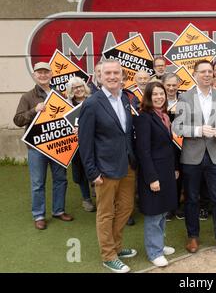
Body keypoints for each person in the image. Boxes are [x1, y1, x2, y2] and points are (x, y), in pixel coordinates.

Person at [78, 59, 138, 273]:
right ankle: (108, 255)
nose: (112, 76)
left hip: (127, 165)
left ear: (122, 76)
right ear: (99, 77)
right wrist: (92, 172)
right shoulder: (92, 103)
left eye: (116, 73)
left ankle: (116, 246)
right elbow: (84, 142)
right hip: (104, 169)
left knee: (126, 208)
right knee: (105, 213)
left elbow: (126, 133)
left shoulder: (124, 98)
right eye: (108, 73)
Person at [172, 59, 216, 261]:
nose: (207, 74)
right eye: (203, 71)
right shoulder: (185, 97)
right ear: (195, 74)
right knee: (191, 199)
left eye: (210, 71)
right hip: (192, 156)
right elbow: (177, 128)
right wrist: (198, 130)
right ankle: (193, 236)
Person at [13, 62, 74, 230]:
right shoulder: (27, 97)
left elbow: (67, 115)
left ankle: (58, 210)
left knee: (60, 179)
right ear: (34, 75)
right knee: (38, 182)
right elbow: (18, 120)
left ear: (51, 74)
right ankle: (39, 215)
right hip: (37, 147)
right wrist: (34, 110)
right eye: (39, 73)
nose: (43, 75)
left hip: (57, 144)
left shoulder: (59, 93)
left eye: (45, 72)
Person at [134, 82, 178, 267]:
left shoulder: (164, 116)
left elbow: (169, 146)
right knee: (154, 213)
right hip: (153, 173)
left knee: (162, 210)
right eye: (155, 94)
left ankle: (159, 244)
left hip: (166, 170)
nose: (160, 97)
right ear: (148, 97)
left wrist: (174, 168)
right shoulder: (145, 118)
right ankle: (154, 251)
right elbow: (143, 151)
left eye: (162, 94)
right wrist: (152, 178)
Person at [65, 77, 95, 212]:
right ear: (71, 91)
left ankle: (98, 192)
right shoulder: (67, 105)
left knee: (96, 168)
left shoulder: (94, 100)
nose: (78, 89)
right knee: (81, 171)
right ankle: (86, 198)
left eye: (80, 86)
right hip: (76, 145)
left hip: (95, 142)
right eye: (75, 88)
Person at [161, 72, 185, 221]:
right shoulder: (158, 100)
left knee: (179, 175)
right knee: (165, 175)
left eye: (174, 85)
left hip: (180, 144)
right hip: (163, 145)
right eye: (168, 85)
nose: (171, 88)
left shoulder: (184, 101)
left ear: (178, 86)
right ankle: (167, 207)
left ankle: (176, 206)